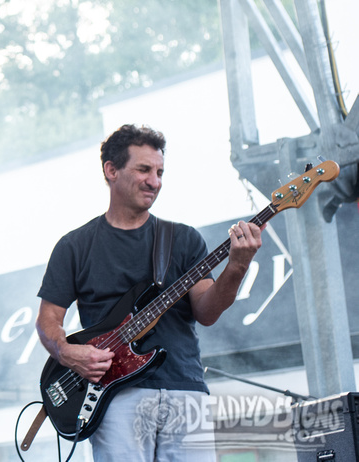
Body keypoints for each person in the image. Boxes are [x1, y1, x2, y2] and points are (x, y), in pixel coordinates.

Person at [36, 124, 262, 461]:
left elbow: (207, 312)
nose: (154, 181)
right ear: (111, 170)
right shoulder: (75, 246)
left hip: (185, 390)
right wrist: (68, 353)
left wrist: (237, 266)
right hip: (116, 395)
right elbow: (47, 321)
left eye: (159, 172)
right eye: (144, 169)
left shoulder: (183, 239)